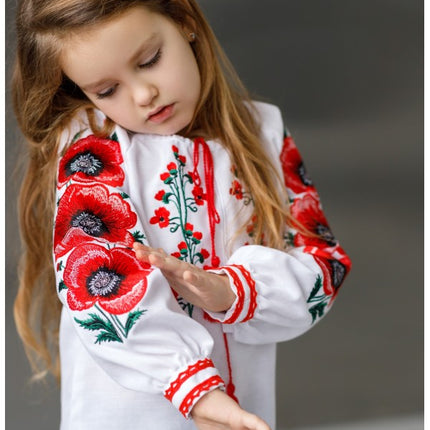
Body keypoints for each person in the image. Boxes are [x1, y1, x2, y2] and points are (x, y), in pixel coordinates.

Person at [12, 1, 351, 429]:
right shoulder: (91, 152)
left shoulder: (264, 135)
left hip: (245, 413)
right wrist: (196, 390)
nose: (142, 95)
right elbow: (97, 285)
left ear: (184, 23)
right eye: (106, 90)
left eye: (150, 60)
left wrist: (233, 292)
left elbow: (324, 263)